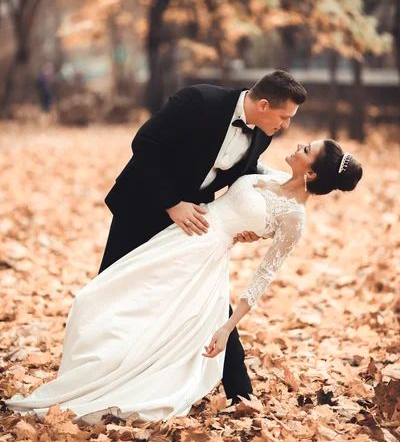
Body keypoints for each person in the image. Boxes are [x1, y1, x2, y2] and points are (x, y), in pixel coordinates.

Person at [5, 139, 362, 425]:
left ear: (311, 175)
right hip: (179, 236)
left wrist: (226, 327)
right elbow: (240, 180)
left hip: (204, 259)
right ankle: (90, 372)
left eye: (306, 150)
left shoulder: (294, 218)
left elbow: (264, 274)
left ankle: (115, 382)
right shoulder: (265, 174)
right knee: (97, 298)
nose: (298, 145)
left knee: (148, 319)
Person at [98, 71, 307, 405]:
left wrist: (250, 220)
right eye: (284, 117)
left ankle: (240, 393)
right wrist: (171, 203)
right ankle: (97, 375)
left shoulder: (262, 135)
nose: (285, 125)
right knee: (110, 292)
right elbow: (145, 145)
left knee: (206, 301)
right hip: (142, 207)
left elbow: (245, 177)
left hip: (194, 225)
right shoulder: (199, 101)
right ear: (264, 105)